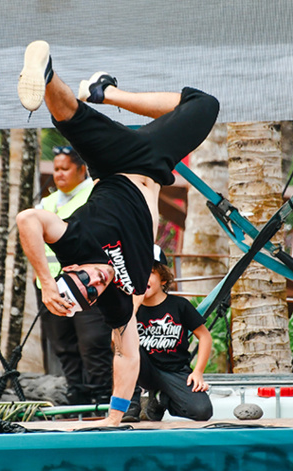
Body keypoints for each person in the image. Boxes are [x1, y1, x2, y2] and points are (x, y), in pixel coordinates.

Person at [15, 40, 219, 426]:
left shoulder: (74, 242)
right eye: (92, 291)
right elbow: (126, 355)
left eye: (83, 278)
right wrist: (112, 419)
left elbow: (28, 219)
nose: (97, 280)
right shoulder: (116, 302)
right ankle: (101, 91)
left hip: (115, 163)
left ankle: (47, 72)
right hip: (155, 161)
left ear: (72, 269)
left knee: (71, 118)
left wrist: (45, 280)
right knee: (204, 105)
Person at [36, 145, 114, 405]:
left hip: (86, 284)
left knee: (93, 341)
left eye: (65, 168)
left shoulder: (95, 194)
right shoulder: (46, 202)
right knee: (63, 343)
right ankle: (77, 393)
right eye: (56, 169)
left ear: (82, 170)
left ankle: (102, 394)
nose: (59, 174)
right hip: (50, 285)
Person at [124, 246, 213, 422]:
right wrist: (133, 306)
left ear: (163, 279)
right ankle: (131, 404)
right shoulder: (128, 307)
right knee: (126, 346)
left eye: (148, 272)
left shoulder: (179, 305)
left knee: (203, 411)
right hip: (143, 368)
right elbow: (115, 342)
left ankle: (160, 400)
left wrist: (198, 372)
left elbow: (205, 336)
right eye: (137, 272)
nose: (142, 278)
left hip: (175, 371)